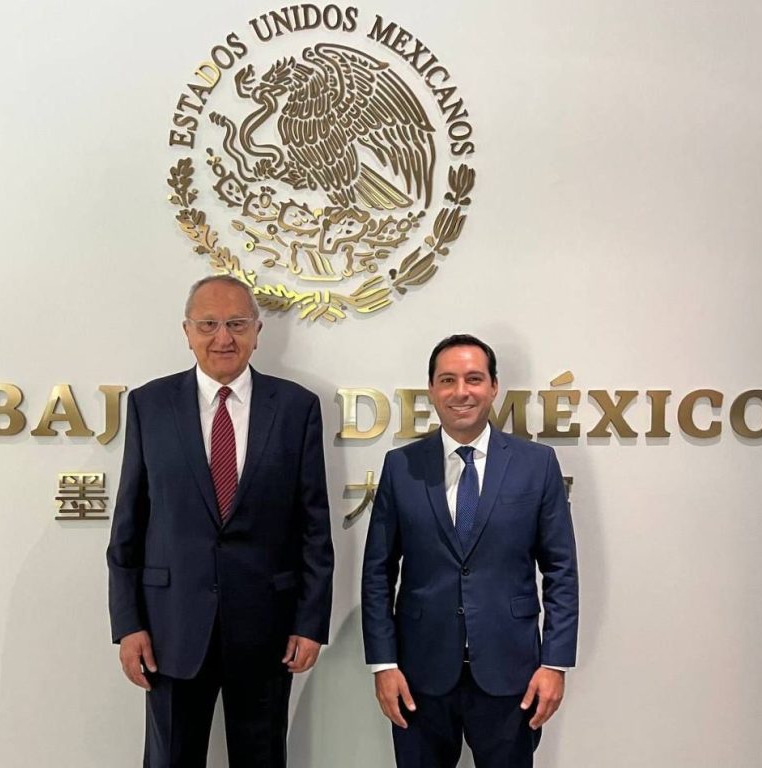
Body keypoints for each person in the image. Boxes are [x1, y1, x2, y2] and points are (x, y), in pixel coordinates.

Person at [107, 275, 334, 768]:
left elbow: (314, 526)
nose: (223, 338)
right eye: (208, 324)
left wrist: (310, 622)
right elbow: (129, 524)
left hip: (267, 629)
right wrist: (128, 624)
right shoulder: (150, 405)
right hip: (170, 628)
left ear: (257, 331)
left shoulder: (296, 408)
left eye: (236, 324)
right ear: (187, 332)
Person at [361, 334, 578, 767]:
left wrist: (555, 664)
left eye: (474, 379)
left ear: (494, 386)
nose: (461, 392)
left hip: (511, 674)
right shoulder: (400, 466)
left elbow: (561, 571)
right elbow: (377, 573)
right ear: (432, 389)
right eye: (448, 380)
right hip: (419, 675)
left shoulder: (537, 464)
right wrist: (383, 664)